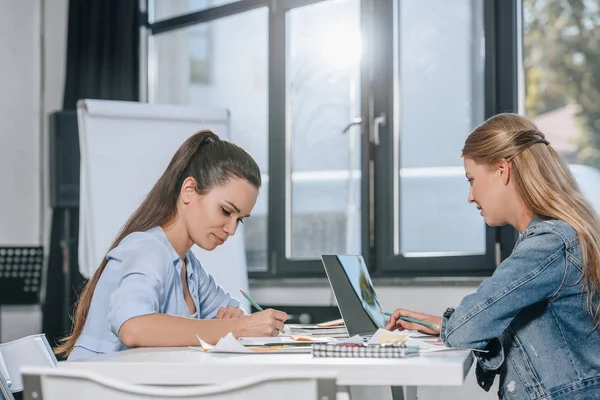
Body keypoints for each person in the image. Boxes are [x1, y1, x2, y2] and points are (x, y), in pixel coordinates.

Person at [385, 113, 600, 399]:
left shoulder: (548, 245)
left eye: (472, 179)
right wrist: (441, 324)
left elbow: (464, 330)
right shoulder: (554, 238)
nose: (471, 196)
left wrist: (453, 325)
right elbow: (525, 333)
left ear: (502, 169)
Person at [55, 130, 287, 360]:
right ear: (189, 191)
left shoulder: (191, 268)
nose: (231, 229)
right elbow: (133, 327)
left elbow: (238, 315)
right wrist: (237, 328)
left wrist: (238, 319)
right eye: (226, 211)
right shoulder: (148, 251)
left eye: (240, 219)